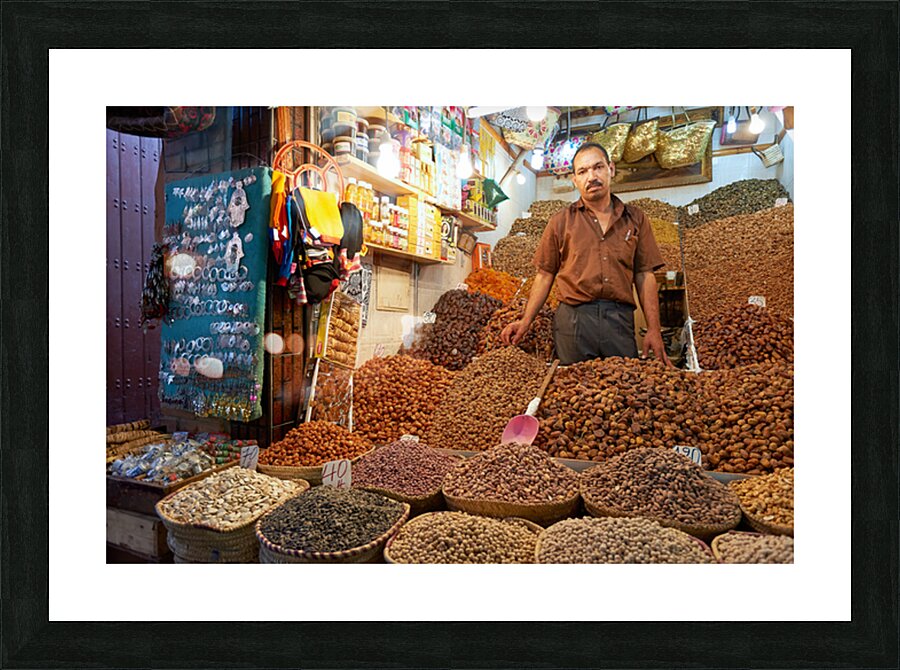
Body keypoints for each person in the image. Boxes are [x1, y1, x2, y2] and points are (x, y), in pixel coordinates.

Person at [501, 142, 673, 367]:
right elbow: (544, 275)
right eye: (582, 171)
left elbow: (644, 275)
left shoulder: (636, 219)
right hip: (573, 321)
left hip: (619, 321)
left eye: (598, 167)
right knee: (573, 392)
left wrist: (653, 329)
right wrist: (525, 321)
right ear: (575, 180)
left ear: (610, 169)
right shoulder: (560, 221)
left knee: (623, 389)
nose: (591, 176)